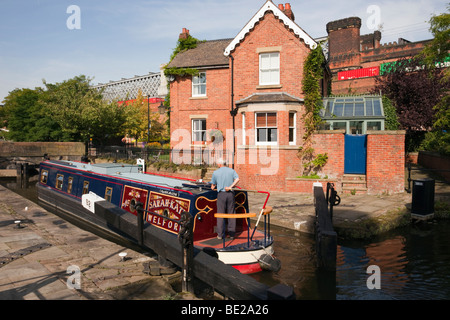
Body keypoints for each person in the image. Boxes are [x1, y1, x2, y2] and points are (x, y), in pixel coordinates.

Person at [210, 159, 240, 240]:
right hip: (230, 194)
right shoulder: (232, 171)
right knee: (231, 213)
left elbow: (212, 186)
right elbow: (237, 179)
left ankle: (220, 235)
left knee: (220, 214)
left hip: (221, 194)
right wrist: (230, 187)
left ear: (219, 164)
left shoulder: (216, 172)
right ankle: (232, 234)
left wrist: (213, 186)